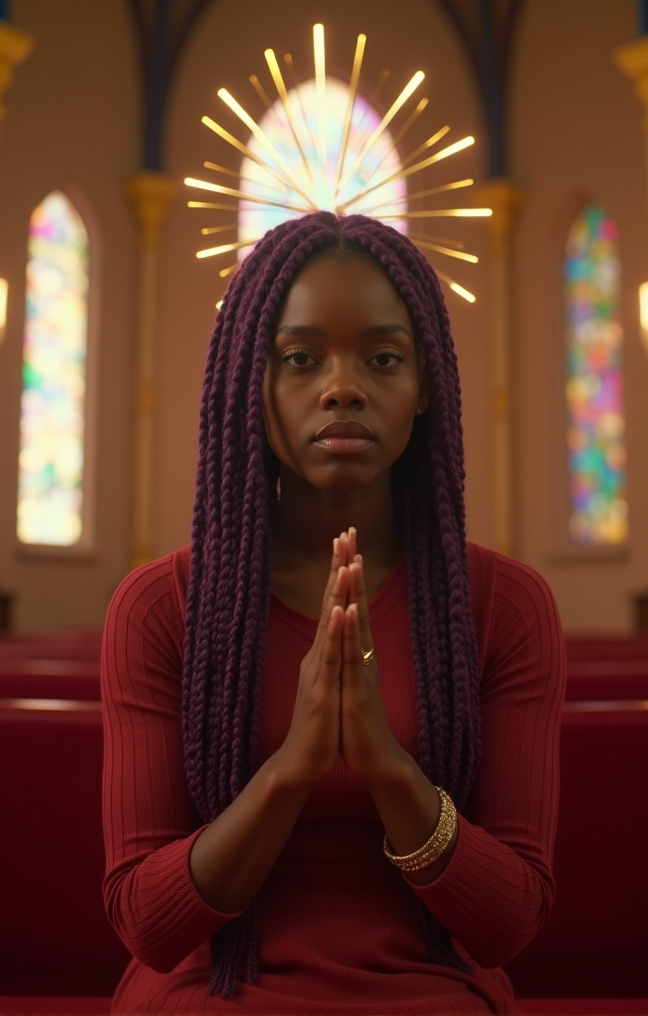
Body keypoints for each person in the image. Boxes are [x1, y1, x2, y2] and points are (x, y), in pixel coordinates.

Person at [101, 211, 565, 1015]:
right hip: (210, 987)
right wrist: (292, 768)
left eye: (383, 357)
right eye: (300, 358)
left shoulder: (507, 607)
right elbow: (146, 922)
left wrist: (386, 763)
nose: (342, 385)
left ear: (424, 388)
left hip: (429, 986)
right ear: (255, 382)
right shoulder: (160, 608)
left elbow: (511, 921)